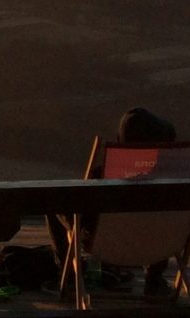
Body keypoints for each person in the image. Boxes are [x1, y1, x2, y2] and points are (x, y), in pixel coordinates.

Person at [48, 106, 180, 295]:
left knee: (52, 204)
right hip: (161, 246)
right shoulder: (177, 178)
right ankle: (154, 280)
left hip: (107, 246)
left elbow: (83, 216)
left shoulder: (104, 175)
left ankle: (69, 276)